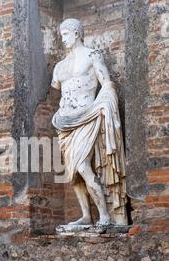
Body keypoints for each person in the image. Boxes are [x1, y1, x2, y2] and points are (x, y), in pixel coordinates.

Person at [52, 18, 127, 226]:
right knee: (73, 173)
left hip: (87, 117)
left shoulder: (92, 55)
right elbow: (58, 87)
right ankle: (86, 215)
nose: (63, 39)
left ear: (76, 33)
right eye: (61, 35)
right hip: (64, 122)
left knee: (83, 166)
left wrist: (104, 104)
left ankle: (104, 214)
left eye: (66, 34)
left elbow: (107, 84)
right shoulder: (59, 66)